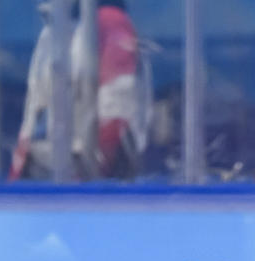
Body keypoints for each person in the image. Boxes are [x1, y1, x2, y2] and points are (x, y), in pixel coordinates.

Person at [10, 0, 150, 181]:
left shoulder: (110, 21)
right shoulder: (57, 31)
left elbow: (117, 110)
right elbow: (34, 113)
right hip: (66, 172)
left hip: (93, 178)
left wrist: (86, 174)